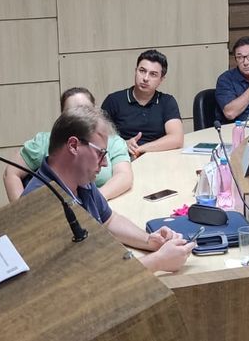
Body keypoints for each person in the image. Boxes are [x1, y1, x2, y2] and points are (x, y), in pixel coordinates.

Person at [21, 105, 195, 273]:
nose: (104, 163)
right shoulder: (41, 205)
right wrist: (158, 261)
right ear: (73, 145)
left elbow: (109, 220)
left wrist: (149, 240)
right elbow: (87, 278)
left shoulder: (79, 179)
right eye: (100, 153)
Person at [3, 87, 132, 201]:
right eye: (73, 113)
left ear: (96, 112)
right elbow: (11, 173)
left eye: (86, 111)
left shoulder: (113, 141)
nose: (80, 118)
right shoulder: (45, 141)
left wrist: (95, 202)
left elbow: (124, 175)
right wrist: (21, 211)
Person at [101, 50, 183, 158]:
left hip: (159, 157)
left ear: (161, 79)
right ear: (135, 71)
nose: (145, 78)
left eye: (153, 74)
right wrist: (123, 144)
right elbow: (97, 137)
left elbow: (177, 139)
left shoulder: (167, 101)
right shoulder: (114, 100)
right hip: (123, 157)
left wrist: (142, 149)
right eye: (142, 71)